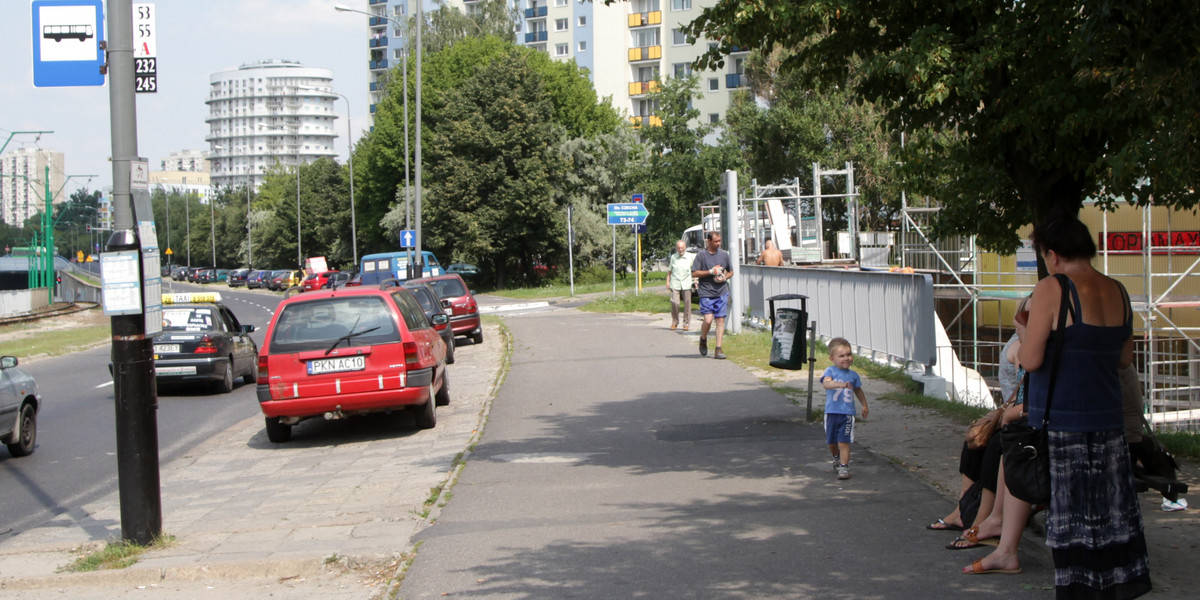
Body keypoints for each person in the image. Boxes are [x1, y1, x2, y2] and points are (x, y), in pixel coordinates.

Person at [967, 217, 1151, 598]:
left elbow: (1031, 360)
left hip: (1066, 421)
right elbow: (1123, 358)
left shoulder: (1053, 288)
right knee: (1109, 517)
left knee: (1073, 521)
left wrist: (1027, 332)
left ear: (1052, 254)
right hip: (1110, 422)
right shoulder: (1118, 290)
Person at [821, 337, 870, 480]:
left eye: (849, 354)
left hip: (847, 414)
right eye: (841, 356)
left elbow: (858, 391)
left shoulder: (853, 375)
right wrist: (840, 385)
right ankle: (836, 457)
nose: (846, 358)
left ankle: (844, 467)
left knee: (844, 441)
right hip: (831, 413)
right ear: (832, 358)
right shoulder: (830, 371)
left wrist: (864, 405)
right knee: (831, 443)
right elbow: (826, 384)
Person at [691, 231, 734, 359]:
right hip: (706, 292)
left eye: (719, 240)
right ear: (708, 241)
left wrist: (724, 277)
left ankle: (718, 349)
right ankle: (703, 339)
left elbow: (731, 272)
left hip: (721, 291)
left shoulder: (724, 255)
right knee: (708, 320)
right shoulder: (701, 255)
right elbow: (694, 273)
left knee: (720, 320)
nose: (718, 243)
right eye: (716, 241)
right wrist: (710, 272)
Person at [667, 240, 694, 331]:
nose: (680, 249)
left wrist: (696, 280)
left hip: (686, 283)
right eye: (678, 248)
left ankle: (686, 323)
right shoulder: (673, 257)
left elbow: (695, 269)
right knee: (675, 302)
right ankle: (675, 322)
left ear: (685, 247)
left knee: (687, 304)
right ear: (676, 248)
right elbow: (670, 271)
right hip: (675, 283)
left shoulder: (690, 256)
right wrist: (668, 282)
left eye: (682, 247)